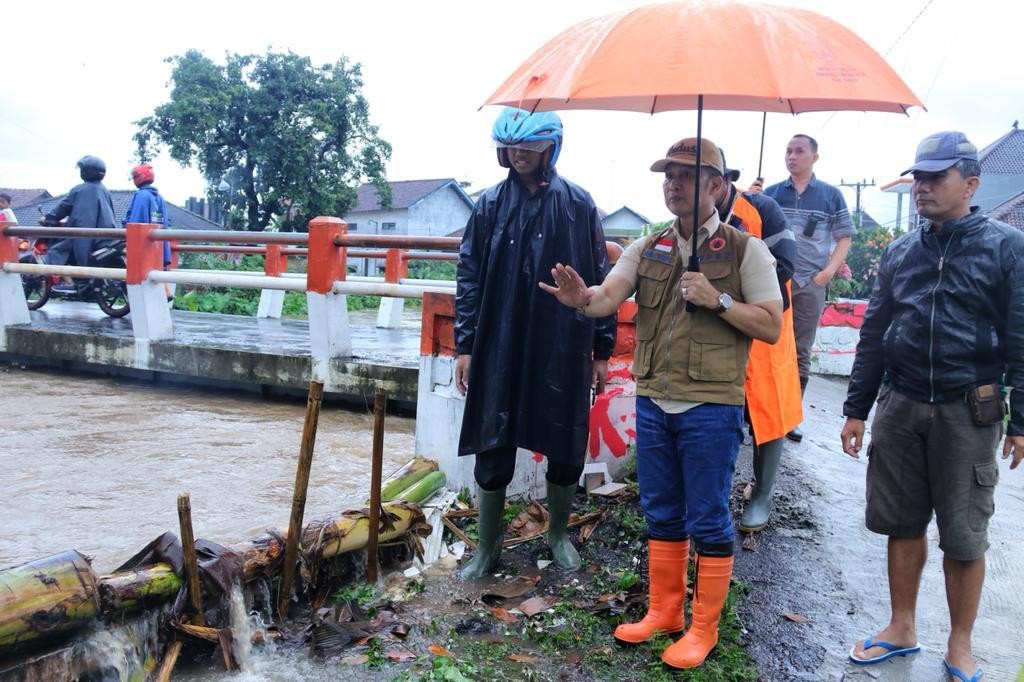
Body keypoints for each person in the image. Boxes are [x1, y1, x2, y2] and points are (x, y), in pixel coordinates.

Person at [541, 137, 783, 669]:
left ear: (717, 186)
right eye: (668, 174)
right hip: (654, 400)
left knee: (709, 517)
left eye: (687, 174)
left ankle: (703, 629)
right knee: (661, 511)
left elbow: (771, 325)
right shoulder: (648, 246)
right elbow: (608, 296)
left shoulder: (746, 251)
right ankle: (665, 612)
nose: (673, 183)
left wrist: (717, 299)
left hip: (710, 406)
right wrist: (581, 300)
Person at [840, 131, 1024, 682]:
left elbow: (1020, 334)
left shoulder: (1006, 247)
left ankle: (961, 642)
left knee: (965, 532)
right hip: (901, 401)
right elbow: (874, 332)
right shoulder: (901, 250)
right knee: (902, 520)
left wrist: (1023, 422)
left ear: (970, 183)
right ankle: (901, 626)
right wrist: (856, 408)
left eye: (934, 177)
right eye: (918, 177)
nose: (922, 187)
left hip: (969, 407)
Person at [454, 107, 615, 580]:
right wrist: (465, 346)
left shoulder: (579, 204)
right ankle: (488, 545)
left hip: (562, 339)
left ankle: (559, 533)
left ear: (551, 148)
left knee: (565, 435)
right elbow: (468, 275)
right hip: (499, 338)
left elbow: (600, 281)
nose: (518, 156)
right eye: (511, 149)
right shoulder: (488, 205)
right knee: (493, 436)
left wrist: (600, 350)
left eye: (528, 148)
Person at [713, 150, 802, 533]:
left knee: (769, 408)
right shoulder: (692, 218)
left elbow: (786, 264)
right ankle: (715, 490)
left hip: (765, 321)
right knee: (716, 408)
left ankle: (762, 493)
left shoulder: (763, 209)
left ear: (725, 180)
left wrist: (737, 285)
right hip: (717, 324)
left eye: (713, 179)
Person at [760, 135, 855, 442]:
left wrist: (828, 271)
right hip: (773, 280)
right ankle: (758, 415)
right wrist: (752, 197)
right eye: (788, 151)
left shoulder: (830, 196)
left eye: (799, 151)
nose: (792, 156)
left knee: (800, 350)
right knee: (765, 347)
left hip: (810, 282)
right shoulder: (772, 194)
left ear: (815, 157)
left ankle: (791, 416)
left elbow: (844, 237)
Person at [40, 155, 116, 295]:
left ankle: (70, 283)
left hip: (82, 234)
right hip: (105, 235)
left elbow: (62, 207)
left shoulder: (80, 189)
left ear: (86, 171)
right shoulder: (105, 190)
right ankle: (79, 283)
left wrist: (47, 219)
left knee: (56, 251)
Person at [125, 163, 174, 300]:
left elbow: (135, 220)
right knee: (157, 269)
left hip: (144, 242)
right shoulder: (159, 197)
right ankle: (165, 290)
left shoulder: (141, 196)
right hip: (158, 243)